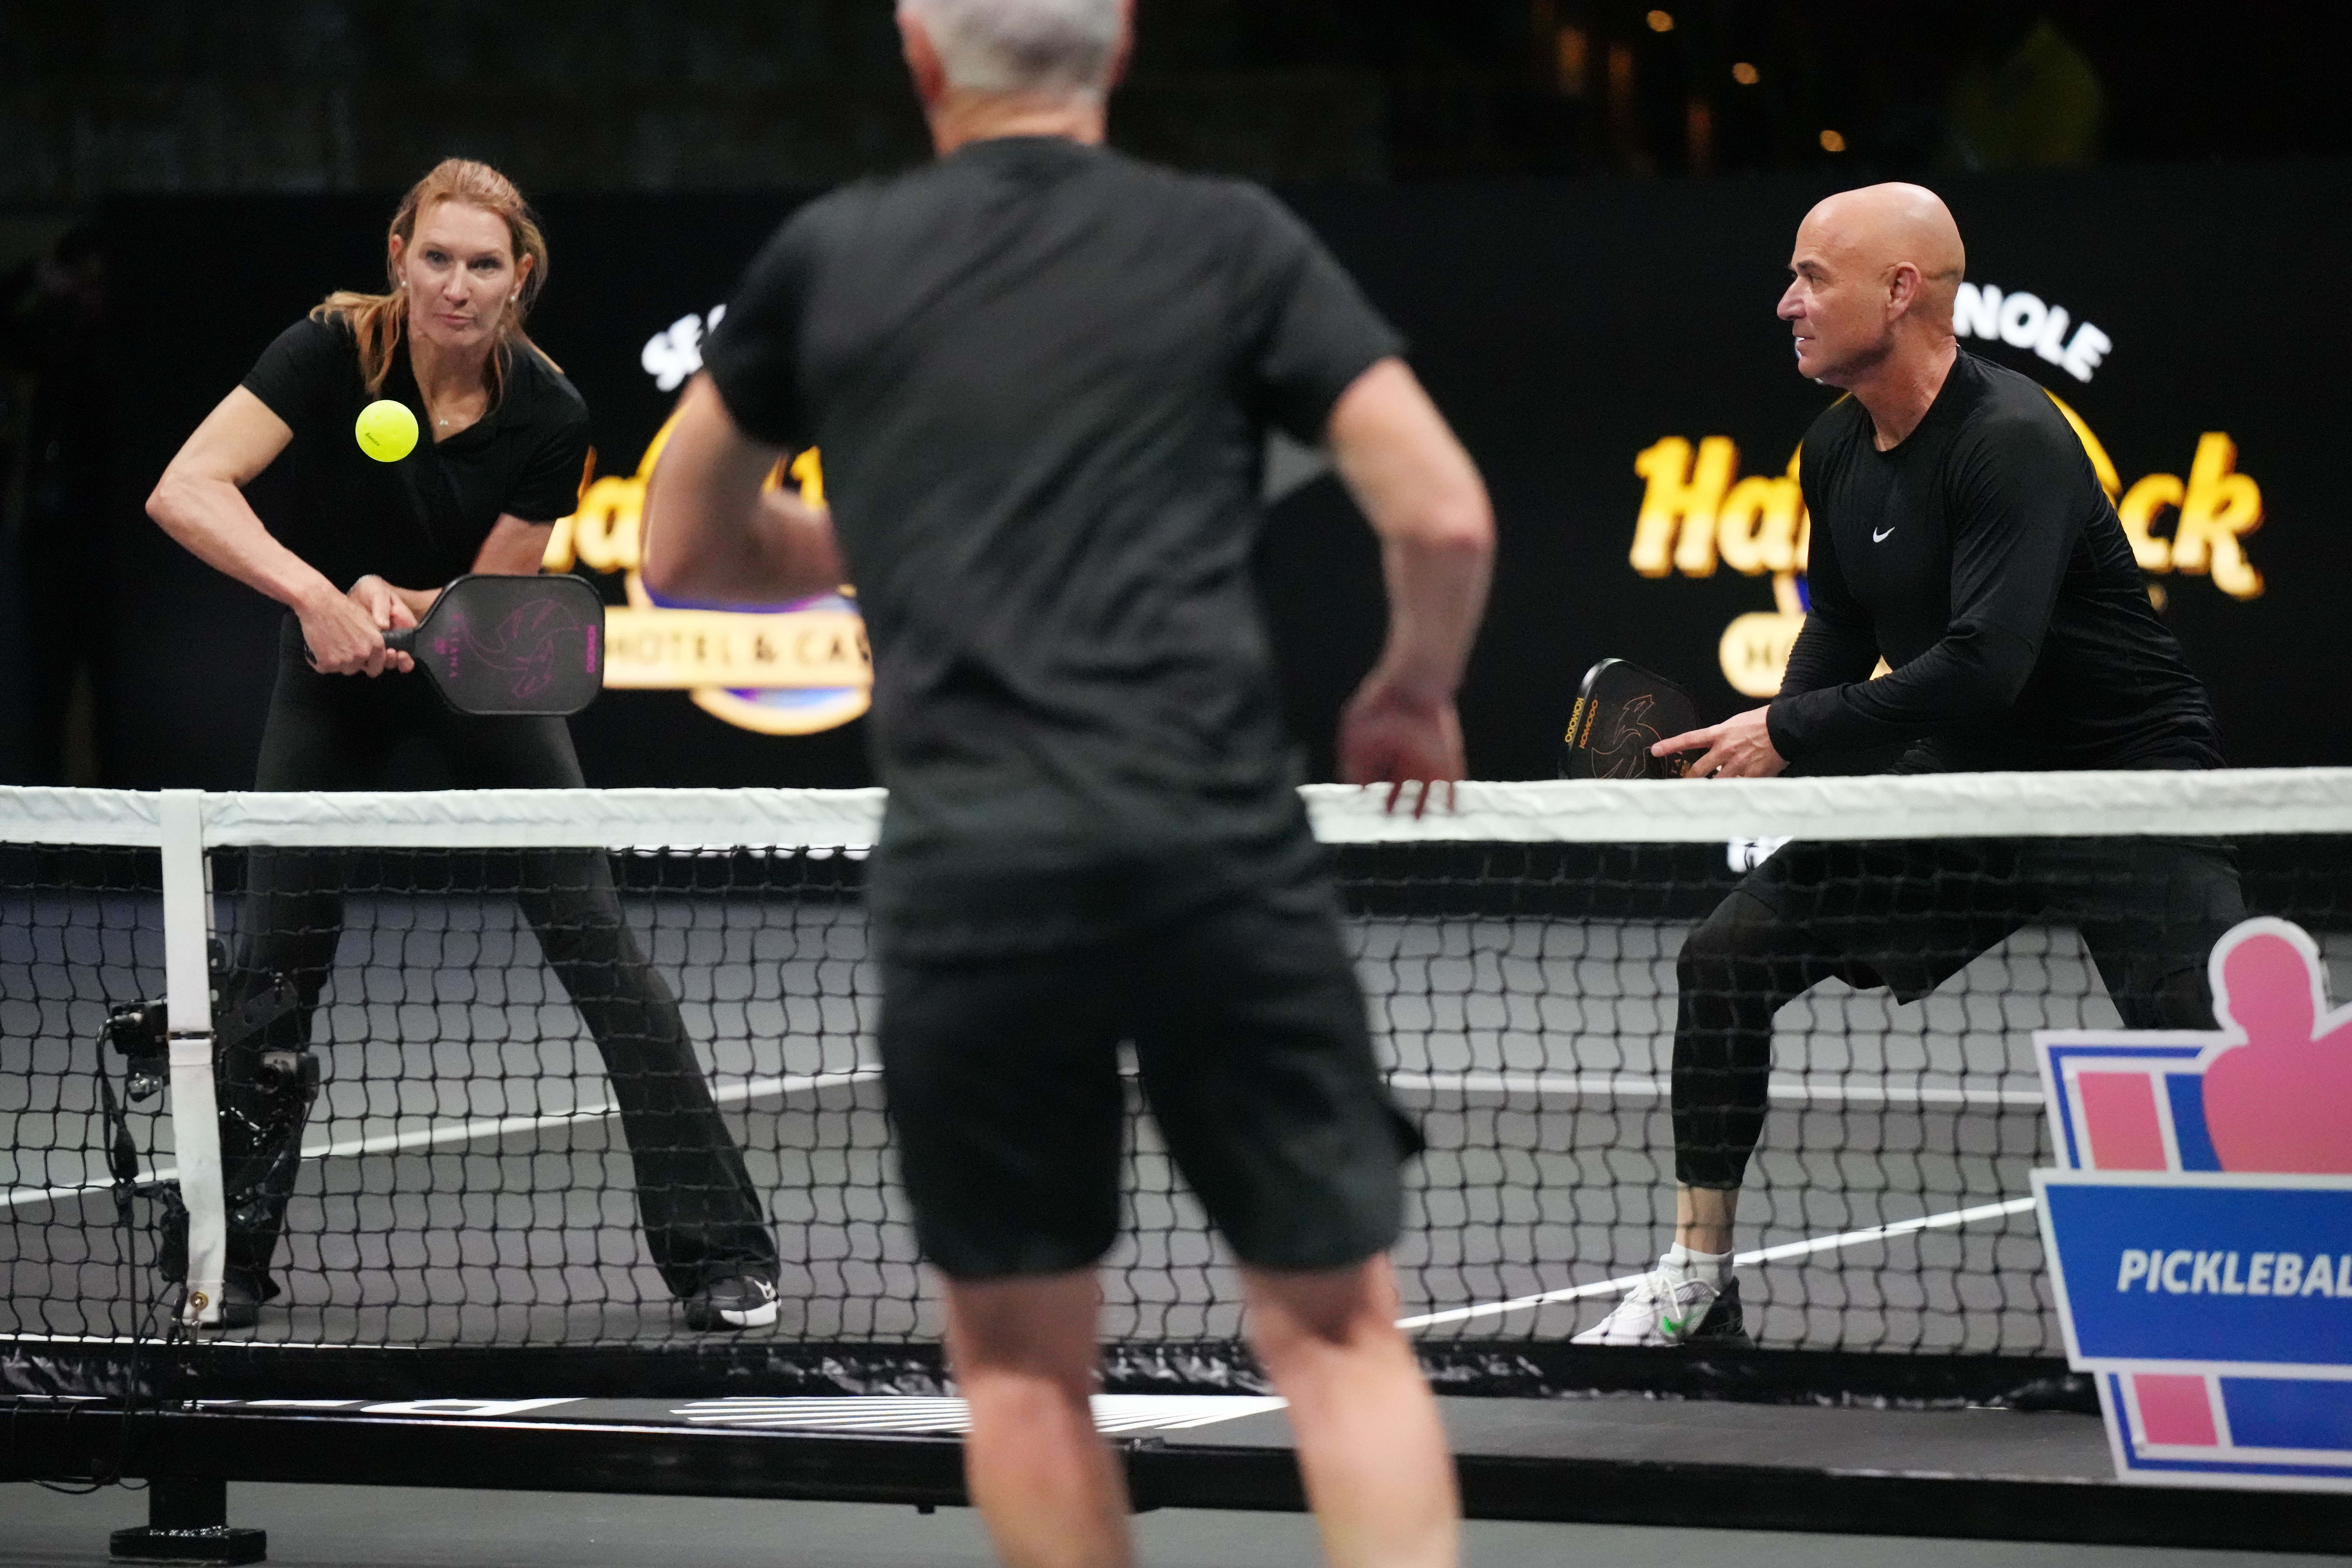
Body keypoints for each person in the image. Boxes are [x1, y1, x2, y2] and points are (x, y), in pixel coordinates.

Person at [643, 3, 1492, 1561]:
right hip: (1216, 857)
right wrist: (1412, 687)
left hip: (976, 879)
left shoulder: (829, 254)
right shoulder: (1230, 239)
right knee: (1339, 1336)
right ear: (1119, 48)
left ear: (918, 59)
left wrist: (902, 531)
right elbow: (1442, 518)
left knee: (1025, 1375)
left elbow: (682, 549)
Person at [1575, 183, 2246, 1347]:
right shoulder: (1833, 448)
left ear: (1899, 291)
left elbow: (1983, 663)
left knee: (2207, 1041)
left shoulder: (2011, 440)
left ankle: (2265, 1295)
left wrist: (1788, 731)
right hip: (1961, 785)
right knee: (1724, 956)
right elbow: (1836, 649)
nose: (1785, 302)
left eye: (1810, 278)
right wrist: (1762, 749)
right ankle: (1696, 1277)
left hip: (2120, 777)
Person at [145, 158, 781, 1333]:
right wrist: (319, 596)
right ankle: (221, 1259)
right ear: (400, 259)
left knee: (602, 948)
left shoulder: (550, 412)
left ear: (518, 278)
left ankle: (721, 1255)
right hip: (325, 665)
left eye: (482, 263)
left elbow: (493, 597)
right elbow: (188, 488)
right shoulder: (324, 355)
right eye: (435, 257)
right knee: (274, 965)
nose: (455, 282)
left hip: (473, 660)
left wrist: (408, 607)